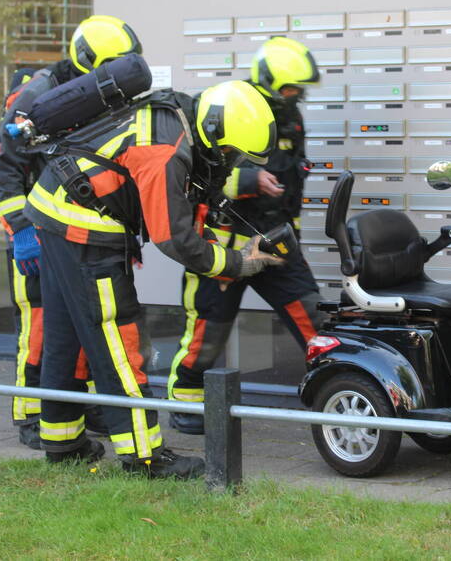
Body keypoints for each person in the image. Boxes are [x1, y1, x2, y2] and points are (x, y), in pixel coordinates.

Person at [23, 79, 284, 478]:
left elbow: (183, 208)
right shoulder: (164, 151)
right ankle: (143, 456)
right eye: (231, 152)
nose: (230, 161)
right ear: (215, 132)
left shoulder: (177, 117)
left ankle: (62, 442)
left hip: (56, 213)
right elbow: (174, 240)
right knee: (118, 336)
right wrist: (238, 264)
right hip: (84, 230)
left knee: (68, 336)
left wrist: (217, 239)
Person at [0, 15, 142, 449]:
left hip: (76, 231)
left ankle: (80, 405)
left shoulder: (96, 92)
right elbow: (3, 170)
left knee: (79, 325)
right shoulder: (36, 98)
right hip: (35, 234)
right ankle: (32, 414)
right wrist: (20, 230)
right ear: (90, 62)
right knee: (38, 325)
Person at [166, 36, 326, 435]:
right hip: (223, 248)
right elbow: (201, 175)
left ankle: (337, 391)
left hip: (276, 245)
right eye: (289, 87)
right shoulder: (231, 108)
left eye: (297, 89)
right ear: (269, 79)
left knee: (314, 321)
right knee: (207, 332)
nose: (294, 95)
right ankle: (185, 404)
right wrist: (250, 179)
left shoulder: (292, 117)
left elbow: (294, 183)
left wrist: (293, 238)